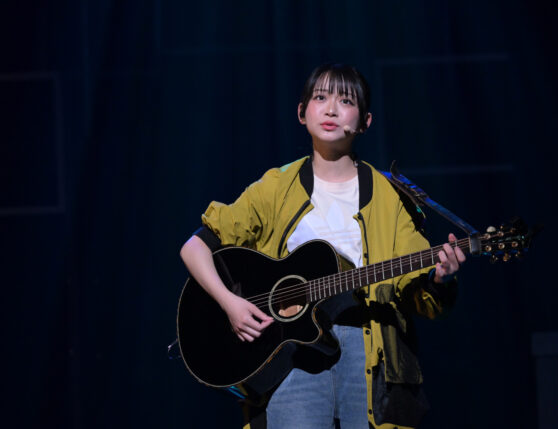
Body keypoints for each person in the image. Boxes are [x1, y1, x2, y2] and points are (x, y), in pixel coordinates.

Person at [180, 63, 466, 429]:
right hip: (291, 358)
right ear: (302, 113)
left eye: (346, 101)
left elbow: (419, 294)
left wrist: (439, 279)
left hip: (368, 352)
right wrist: (229, 303)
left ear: (365, 121)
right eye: (320, 98)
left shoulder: (389, 196)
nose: (331, 109)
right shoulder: (275, 187)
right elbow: (195, 248)